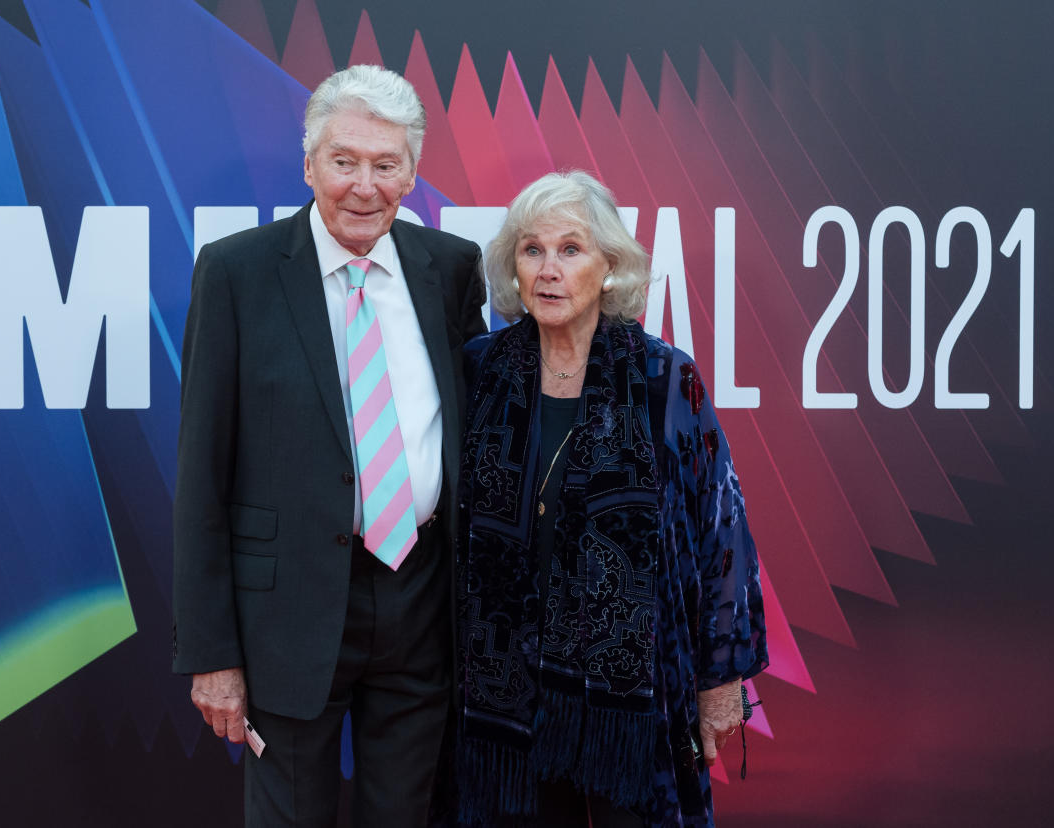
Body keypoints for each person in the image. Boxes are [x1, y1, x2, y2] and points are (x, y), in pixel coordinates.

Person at [172, 64, 486, 827]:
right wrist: (212, 654)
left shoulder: (448, 270)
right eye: (344, 161)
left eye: (386, 164)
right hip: (285, 614)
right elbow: (201, 475)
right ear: (309, 163)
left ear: (412, 173)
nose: (364, 186)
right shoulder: (237, 272)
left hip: (420, 600)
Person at [454, 171, 767, 826]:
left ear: (611, 266)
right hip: (504, 688)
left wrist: (722, 679)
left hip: (635, 692)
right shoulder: (481, 370)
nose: (548, 269)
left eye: (571, 249)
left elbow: (721, 530)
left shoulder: (661, 376)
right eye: (532, 249)